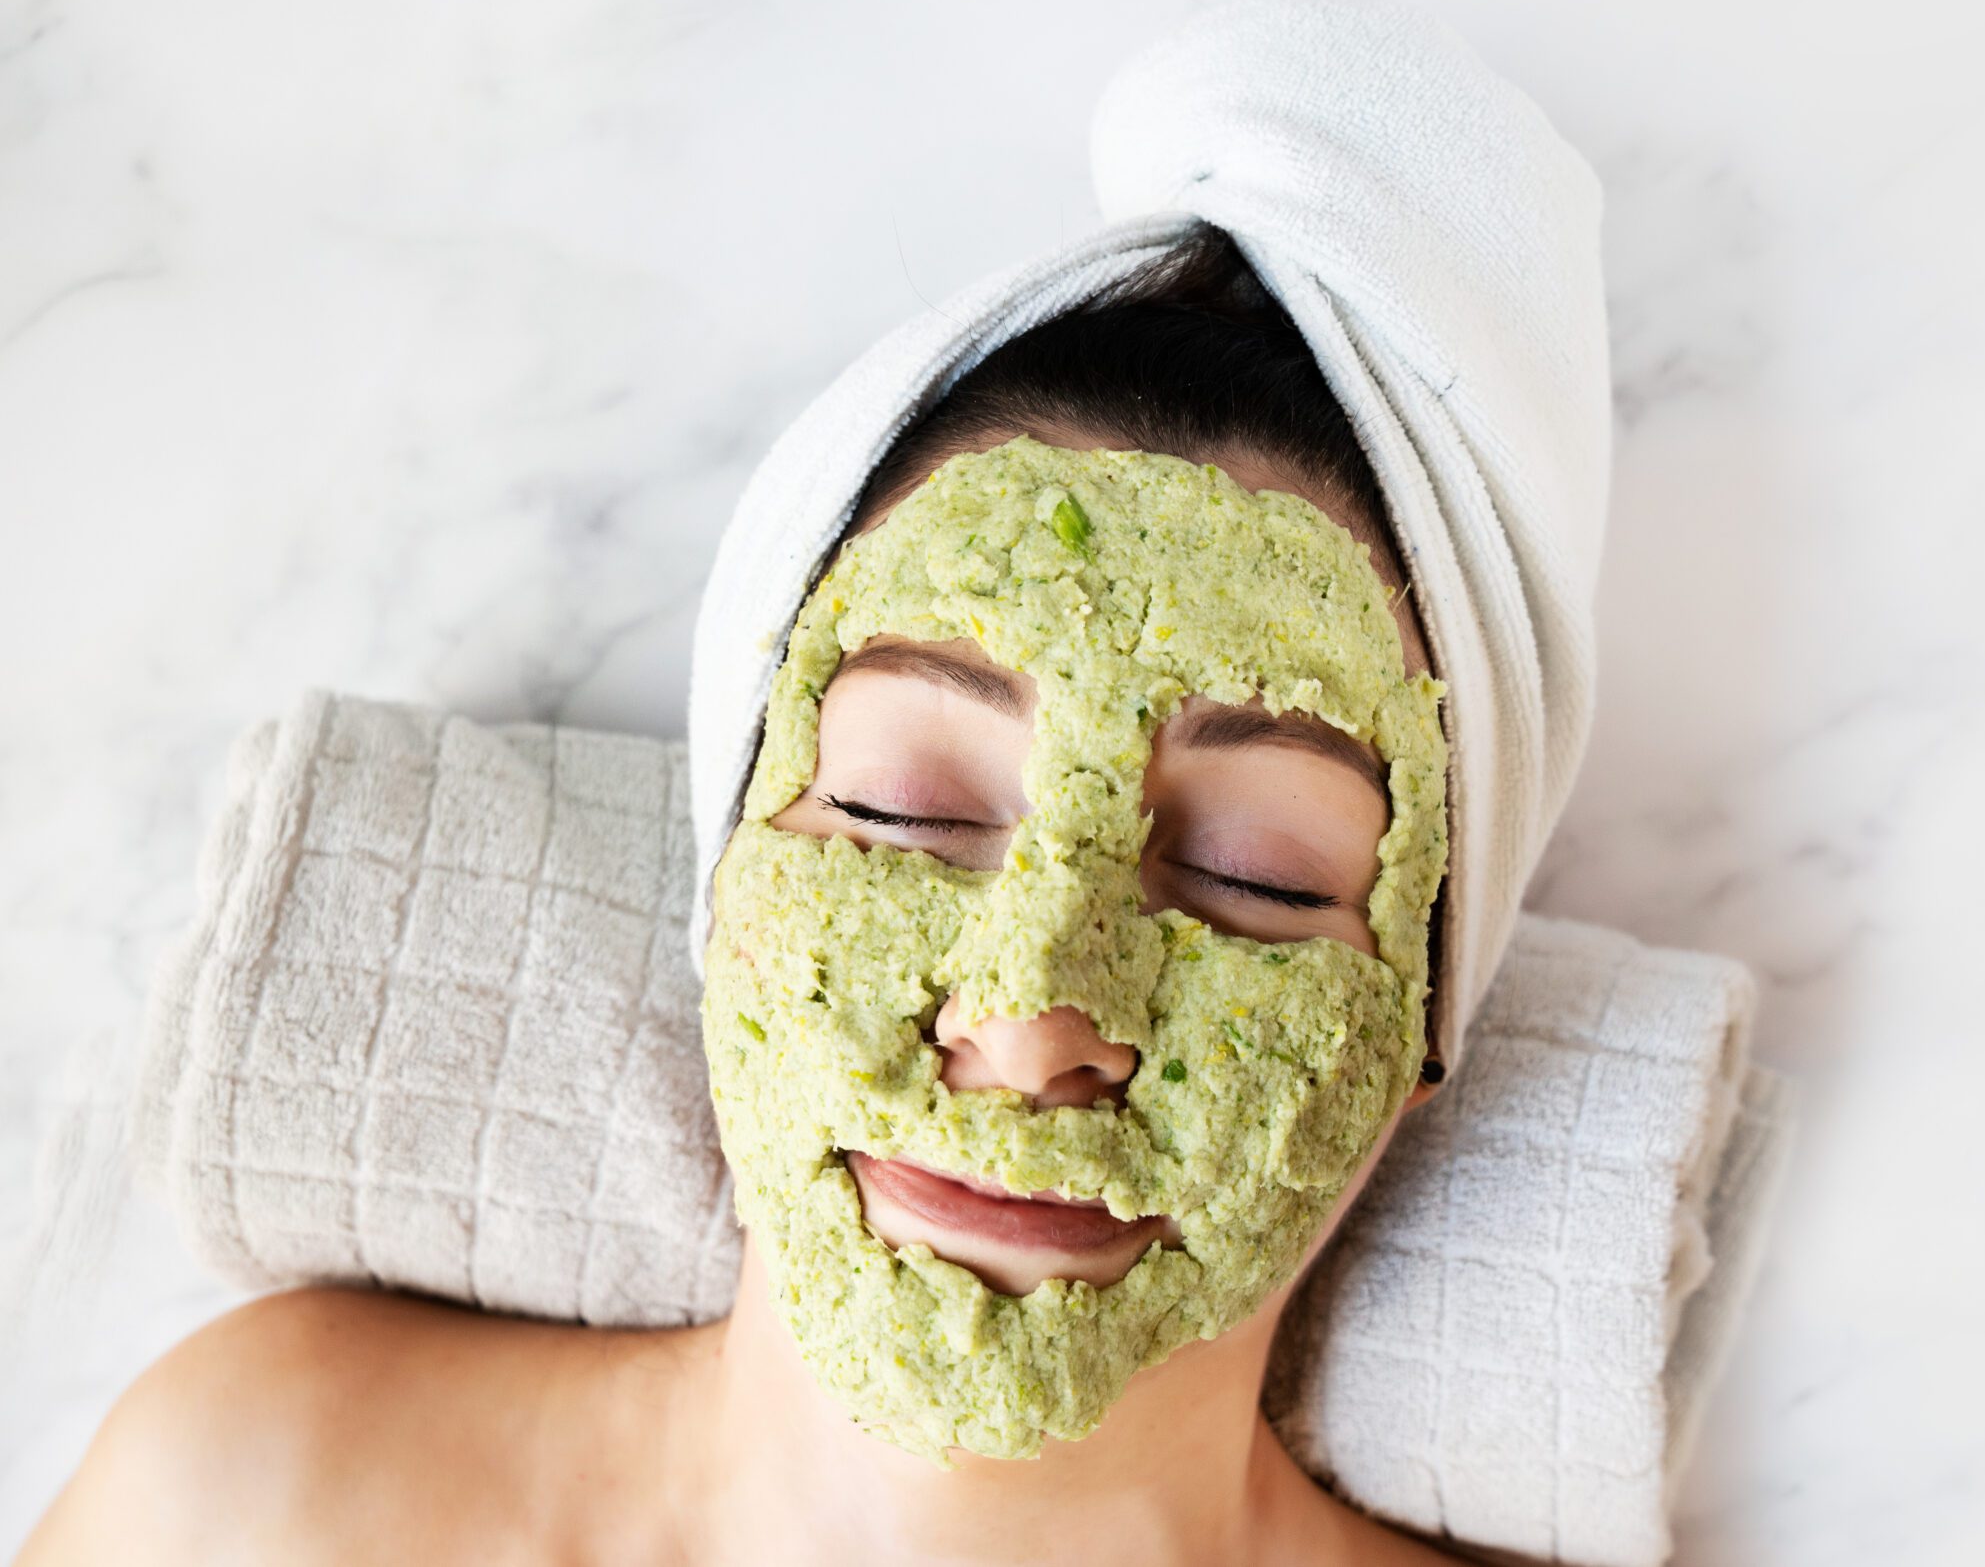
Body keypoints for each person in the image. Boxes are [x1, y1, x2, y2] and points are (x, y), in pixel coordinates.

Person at [17, 228, 1468, 1567]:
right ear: (725, 891)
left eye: (1251, 879)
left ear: (1415, 1039)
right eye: (904, 812)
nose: (1031, 1026)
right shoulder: (260, 1502)